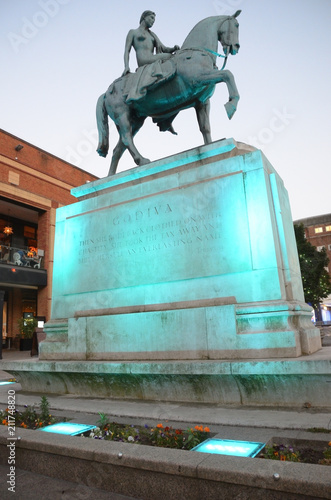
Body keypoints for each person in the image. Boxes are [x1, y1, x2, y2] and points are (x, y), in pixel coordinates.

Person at [122, 11, 180, 76]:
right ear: (144, 17)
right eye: (151, 18)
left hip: (152, 57)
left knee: (172, 55)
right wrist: (126, 66)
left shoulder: (152, 35)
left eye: (154, 20)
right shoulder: (133, 32)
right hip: (143, 60)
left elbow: (164, 49)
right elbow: (127, 50)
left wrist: (174, 48)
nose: (153, 21)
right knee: (170, 56)